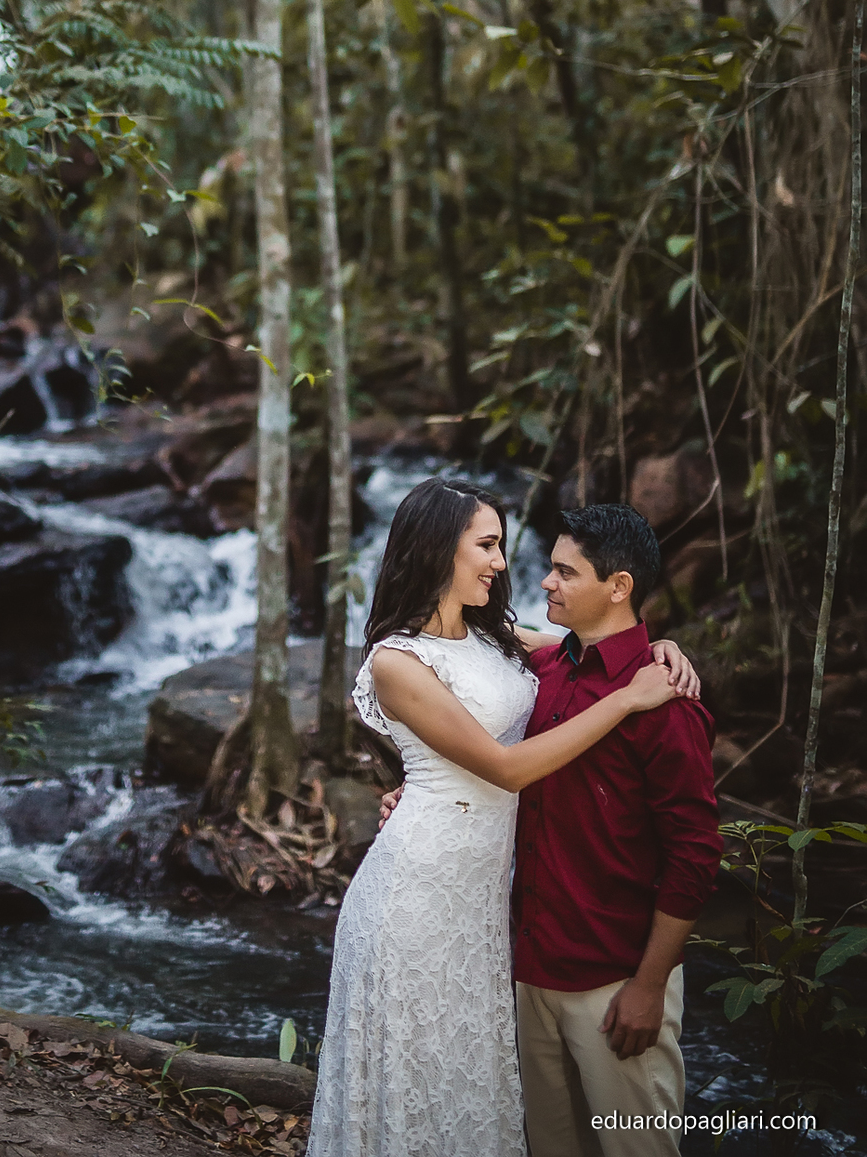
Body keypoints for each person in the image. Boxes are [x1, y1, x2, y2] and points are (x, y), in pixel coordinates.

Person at [305, 479, 697, 1157]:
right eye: (487, 545)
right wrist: (628, 700)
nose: (502, 563)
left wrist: (661, 649)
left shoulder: (496, 635)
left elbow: (593, 644)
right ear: (438, 548)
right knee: (418, 1079)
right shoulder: (398, 660)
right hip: (419, 895)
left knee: (470, 1084)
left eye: (501, 546)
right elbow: (507, 769)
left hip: (487, 904)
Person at [509, 504, 722, 1157]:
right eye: (550, 568)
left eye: (565, 572)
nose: (546, 582)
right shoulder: (549, 669)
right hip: (529, 966)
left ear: (618, 586)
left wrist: (650, 986)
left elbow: (695, 854)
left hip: (613, 982)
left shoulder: (666, 705)